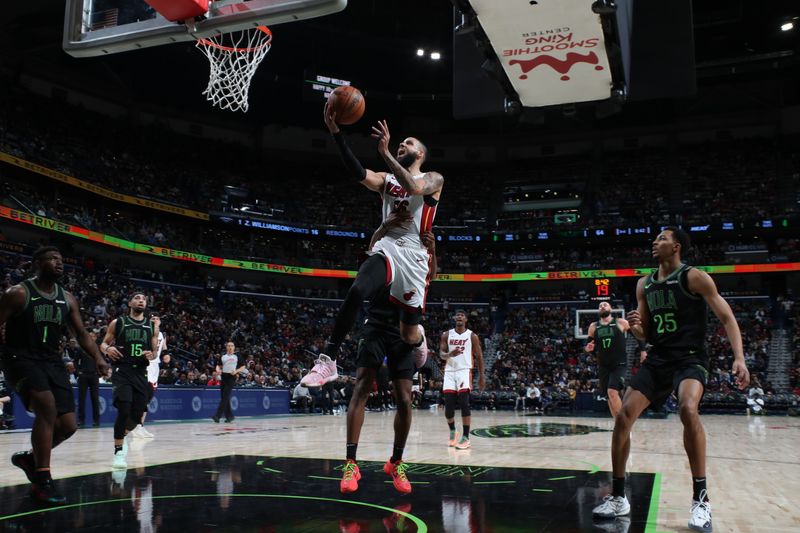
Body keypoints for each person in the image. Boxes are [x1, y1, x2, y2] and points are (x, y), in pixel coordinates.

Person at [592, 227, 750, 533]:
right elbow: (645, 334)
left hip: (690, 357)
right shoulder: (644, 284)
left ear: (676, 246)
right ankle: (619, 496)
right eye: (655, 238)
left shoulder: (695, 277)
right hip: (660, 359)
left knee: (688, 409)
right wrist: (637, 328)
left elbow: (728, 318)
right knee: (624, 415)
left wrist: (739, 357)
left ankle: (700, 500)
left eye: (662, 238)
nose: (655, 241)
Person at [300, 106, 443, 388]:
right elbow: (357, 171)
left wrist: (386, 153)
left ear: (421, 154)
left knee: (409, 334)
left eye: (408, 143)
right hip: (388, 247)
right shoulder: (386, 180)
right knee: (358, 290)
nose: (402, 144)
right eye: (400, 143)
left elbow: (414, 190)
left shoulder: (434, 178)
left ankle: (420, 338)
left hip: (415, 257)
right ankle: (328, 360)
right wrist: (337, 134)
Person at [1, 246, 110, 504]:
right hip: (21, 358)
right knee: (47, 409)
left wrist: (99, 359)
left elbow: (81, 334)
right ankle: (43, 479)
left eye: (61, 259)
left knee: (69, 426)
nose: (59, 263)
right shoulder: (18, 293)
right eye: (52, 259)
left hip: (51, 361)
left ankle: (30, 459)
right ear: (37, 263)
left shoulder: (68, 298)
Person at [339, 221, 435, 496]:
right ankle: (350, 463)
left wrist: (434, 250)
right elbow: (370, 256)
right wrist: (381, 228)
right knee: (362, 386)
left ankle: (396, 462)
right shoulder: (386, 244)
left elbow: (430, 278)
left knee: (405, 399)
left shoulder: (419, 248)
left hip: (404, 330)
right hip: (376, 324)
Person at [100, 291, 160, 470]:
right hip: (122, 371)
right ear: (129, 303)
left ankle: (122, 436)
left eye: (144, 298)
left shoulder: (152, 326)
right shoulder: (118, 322)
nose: (141, 300)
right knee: (124, 409)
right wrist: (107, 350)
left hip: (141, 373)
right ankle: (118, 452)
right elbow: (103, 344)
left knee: (136, 417)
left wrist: (152, 354)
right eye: (137, 298)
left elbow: (155, 351)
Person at [439, 309, 485, 450]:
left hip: (464, 370)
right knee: (449, 407)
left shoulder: (472, 336)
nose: (459, 317)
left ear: (466, 319)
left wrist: (482, 376)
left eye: (462, 315)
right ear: (454, 318)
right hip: (449, 371)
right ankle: (453, 431)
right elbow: (441, 355)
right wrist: (449, 354)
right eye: (457, 315)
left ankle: (466, 437)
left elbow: (479, 356)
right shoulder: (446, 335)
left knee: (464, 403)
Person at [584, 301, 639, 417]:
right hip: (603, 365)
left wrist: (643, 350)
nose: (602, 306)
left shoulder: (621, 322)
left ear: (611, 309)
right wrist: (588, 348)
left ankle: (624, 424)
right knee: (609, 397)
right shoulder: (593, 326)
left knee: (612, 392)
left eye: (605, 304)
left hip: (619, 364)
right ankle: (618, 427)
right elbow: (588, 345)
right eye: (600, 306)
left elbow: (636, 335)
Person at [131, 329, 166, 439]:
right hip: (146, 366)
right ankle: (135, 426)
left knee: (147, 400)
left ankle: (140, 426)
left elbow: (164, 349)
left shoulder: (162, 334)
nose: (155, 320)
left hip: (155, 367)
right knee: (142, 399)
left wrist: (166, 354)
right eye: (152, 318)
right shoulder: (146, 331)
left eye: (157, 318)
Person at [212, 341, 244, 423]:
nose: (230, 347)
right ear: (226, 347)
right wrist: (218, 370)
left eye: (232, 346)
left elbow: (243, 366)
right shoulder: (223, 356)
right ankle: (230, 416)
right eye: (228, 346)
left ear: (234, 347)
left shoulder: (237, 356)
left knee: (225, 396)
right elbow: (218, 365)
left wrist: (236, 371)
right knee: (224, 397)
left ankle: (217, 416)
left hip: (231, 377)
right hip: (223, 377)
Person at [76, 331, 101, 428]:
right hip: (83, 376)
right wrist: (78, 372)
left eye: (93, 336)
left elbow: (102, 360)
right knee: (81, 399)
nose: (91, 337)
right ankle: (81, 420)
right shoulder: (81, 347)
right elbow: (75, 361)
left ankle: (96, 421)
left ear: (95, 337)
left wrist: (99, 373)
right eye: (89, 336)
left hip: (94, 376)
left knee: (95, 399)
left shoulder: (98, 348)